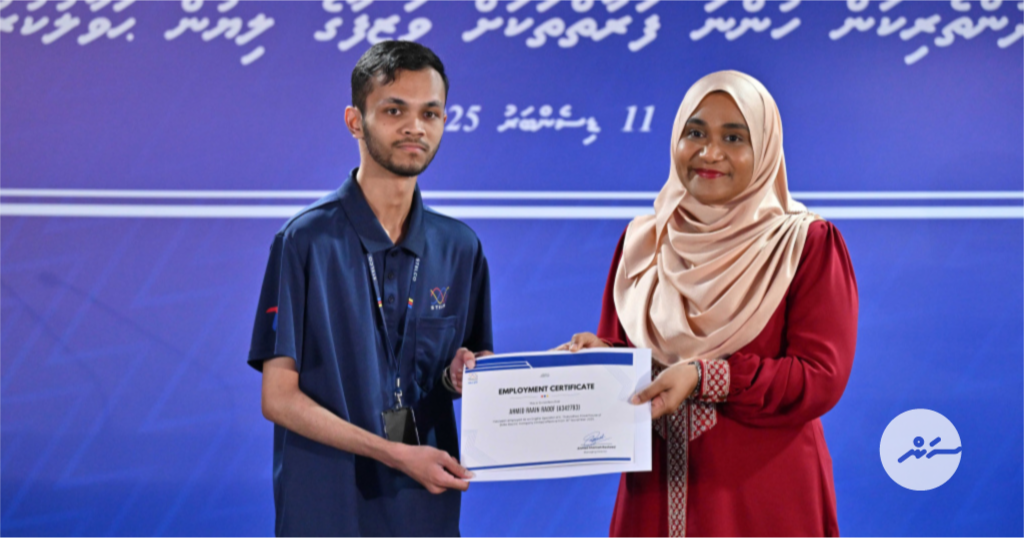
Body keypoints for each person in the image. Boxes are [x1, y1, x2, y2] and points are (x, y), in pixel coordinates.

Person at [557, 71, 858, 538]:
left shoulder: (804, 243)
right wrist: (600, 358)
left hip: (762, 500)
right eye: (695, 133)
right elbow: (629, 357)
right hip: (653, 495)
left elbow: (819, 378)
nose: (709, 152)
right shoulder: (643, 242)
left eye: (734, 138)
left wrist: (706, 377)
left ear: (765, 149)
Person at [247, 41, 493, 538]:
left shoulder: (460, 247)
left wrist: (462, 376)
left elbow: (469, 369)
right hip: (325, 508)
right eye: (394, 110)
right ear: (355, 121)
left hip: (425, 506)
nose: (415, 127)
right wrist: (393, 453)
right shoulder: (305, 241)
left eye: (430, 113)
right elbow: (278, 398)